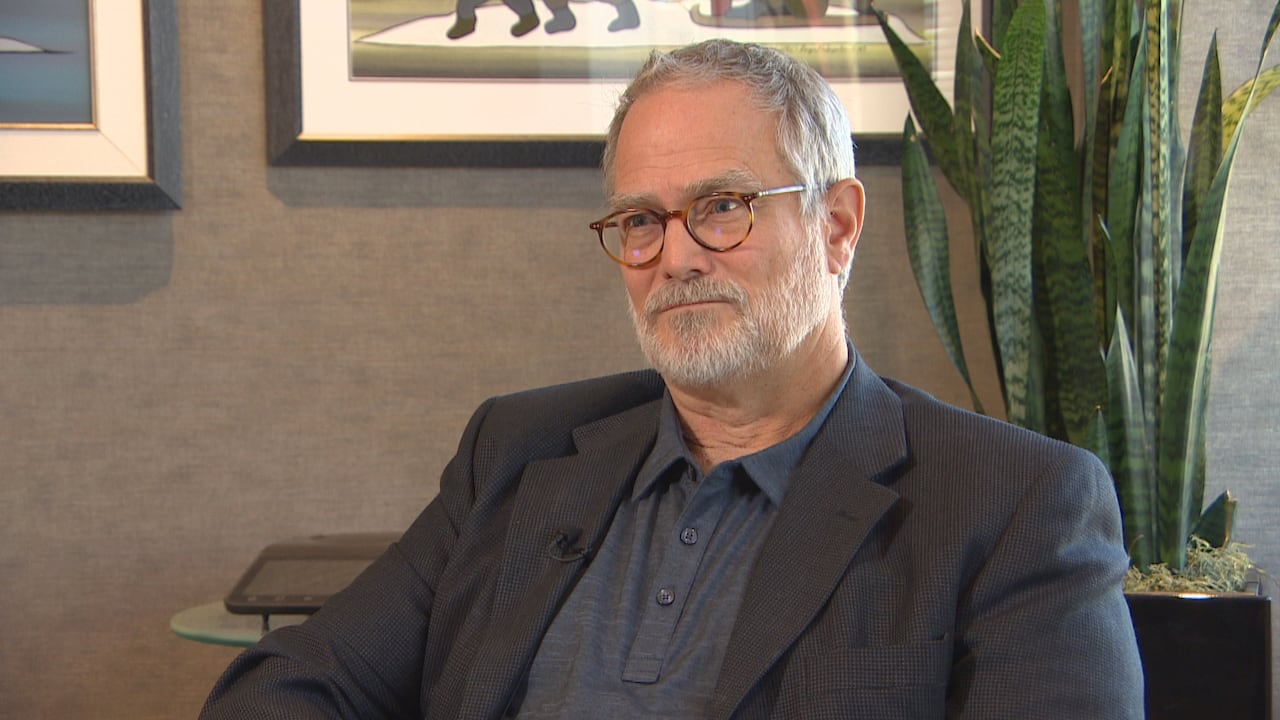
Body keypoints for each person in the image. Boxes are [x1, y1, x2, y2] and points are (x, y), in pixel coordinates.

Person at [200, 39, 1145, 719]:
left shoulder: (1014, 502)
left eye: (722, 207)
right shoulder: (520, 452)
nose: (675, 256)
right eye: (641, 221)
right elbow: (284, 687)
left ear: (838, 225)